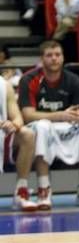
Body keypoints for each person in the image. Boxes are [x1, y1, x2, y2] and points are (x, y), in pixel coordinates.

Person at [19, 41, 79, 210]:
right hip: (41, 128)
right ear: (41, 59)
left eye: (57, 55)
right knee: (41, 127)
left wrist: (78, 116)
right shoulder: (29, 80)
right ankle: (44, 190)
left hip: (67, 126)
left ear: (63, 58)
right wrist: (60, 115)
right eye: (49, 55)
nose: (54, 59)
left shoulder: (73, 80)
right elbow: (28, 115)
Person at [0, 74, 38, 212]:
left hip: (0, 134)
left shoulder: (4, 85)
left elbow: (17, 117)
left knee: (27, 135)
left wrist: (13, 125)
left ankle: (21, 192)